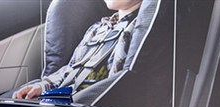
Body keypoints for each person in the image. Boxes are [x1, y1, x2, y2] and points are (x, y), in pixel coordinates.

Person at [13, 0, 143, 101]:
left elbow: (116, 87)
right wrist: (43, 86)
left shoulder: (139, 31)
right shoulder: (97, 28)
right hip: (64, 97)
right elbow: (72, 68)